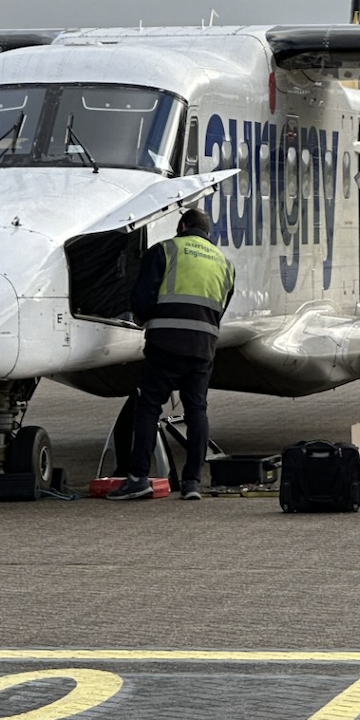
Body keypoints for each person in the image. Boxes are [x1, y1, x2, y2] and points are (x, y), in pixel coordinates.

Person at [108, 207, 236, 502]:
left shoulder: (165, 250)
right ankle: (192, 482)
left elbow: (142, 297)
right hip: (203, 346)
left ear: (182, 225)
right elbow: (220, 307)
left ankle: (138, 477)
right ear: (207, 233)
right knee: (197, 410)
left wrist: (143, 318)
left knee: (148, 406)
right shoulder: (225, 263)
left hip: (166, 342)